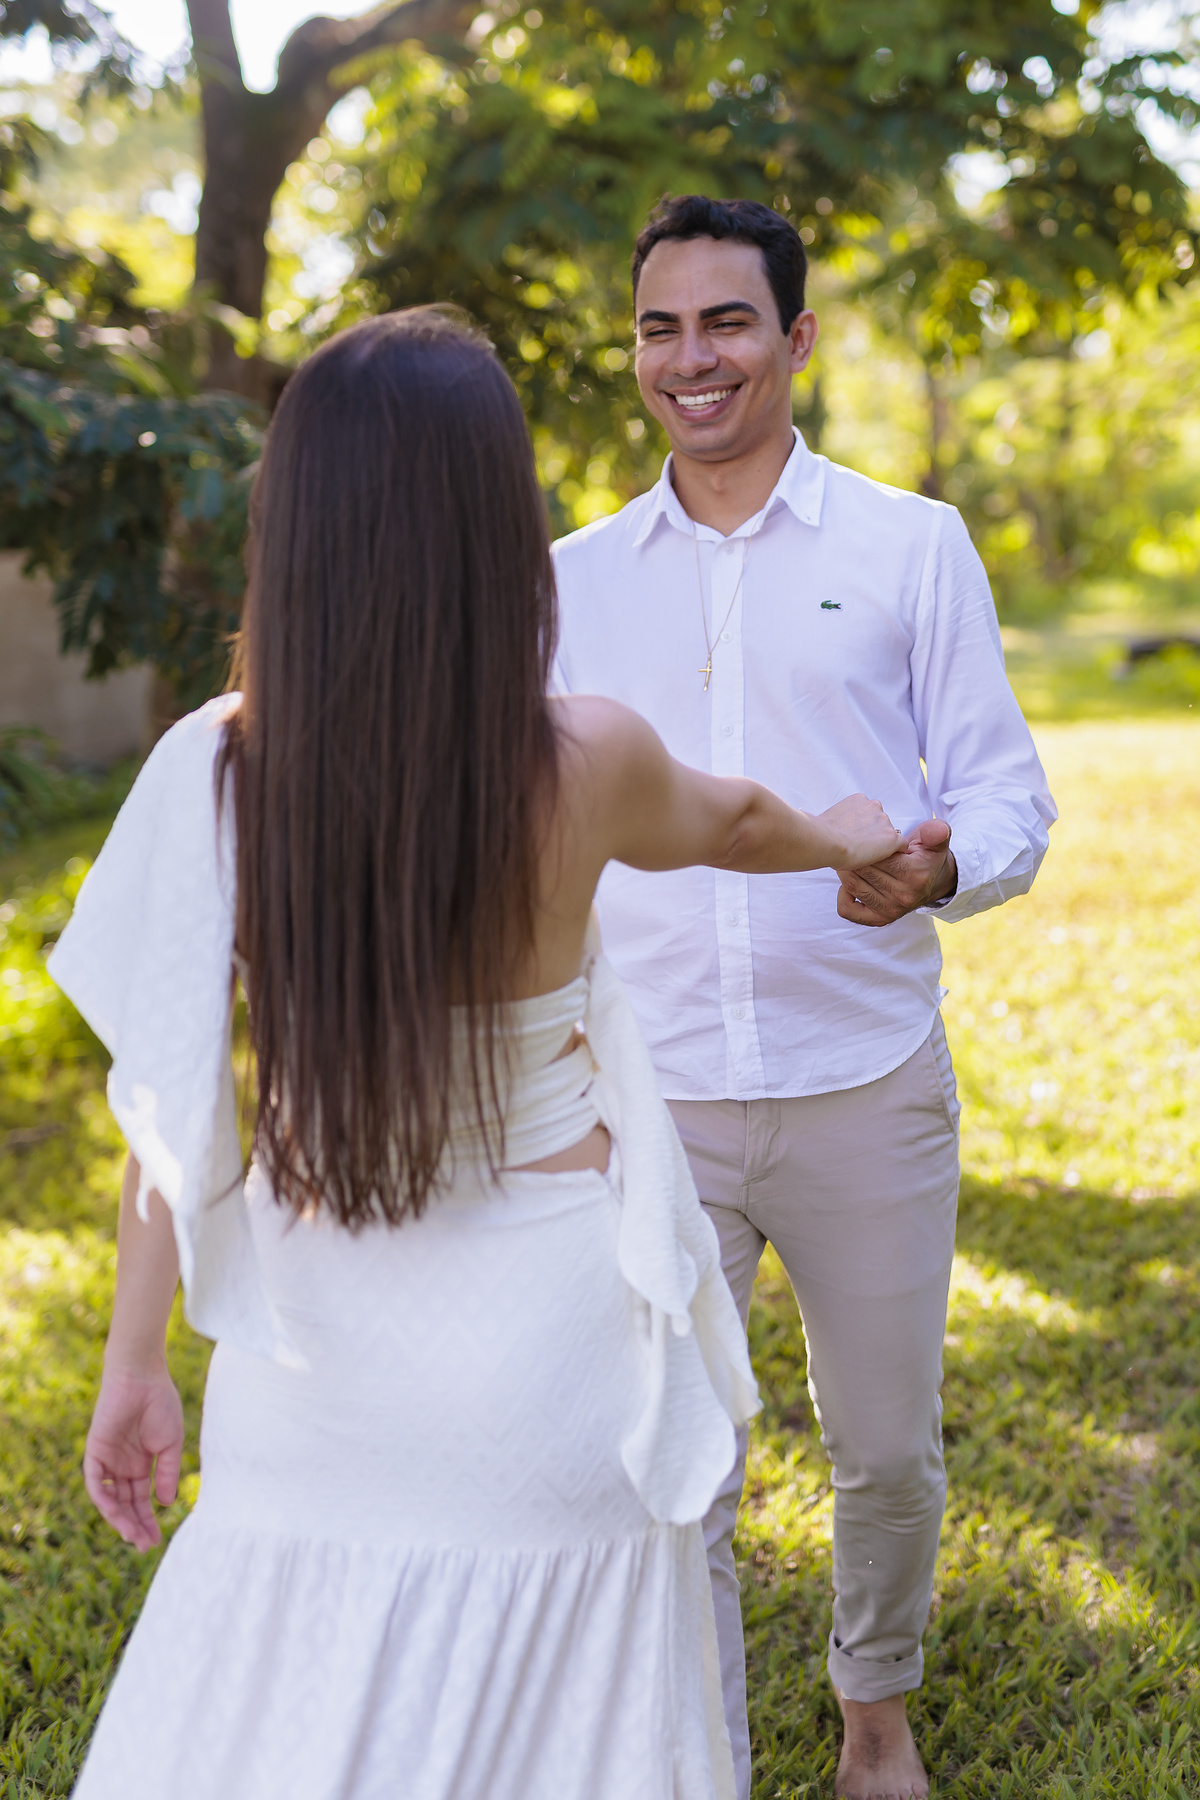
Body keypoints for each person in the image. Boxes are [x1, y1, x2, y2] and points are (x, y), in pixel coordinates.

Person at [49, 308, 909, 1800]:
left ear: (295, 522)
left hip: (317, 1356)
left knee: (285, 1700)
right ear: (495, 521)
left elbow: (173, 1111)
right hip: (553, 1352)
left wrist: (137, 1365)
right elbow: (746, 823)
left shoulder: (217, 771)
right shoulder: (588, 760)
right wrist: (851, 836)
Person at [552, 196, 1057, 1800]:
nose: (689, 359)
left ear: (798, 336)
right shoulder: (566, 581)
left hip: (864, 1075)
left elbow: (1006, 798)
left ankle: (875, 1722)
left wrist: (940, 865)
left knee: (888, 1451)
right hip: (648, 1092)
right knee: (666, 1455)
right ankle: (688, 1742)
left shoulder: (913, 546)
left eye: (726, 322)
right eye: (659, 327)